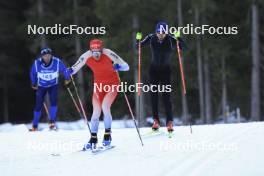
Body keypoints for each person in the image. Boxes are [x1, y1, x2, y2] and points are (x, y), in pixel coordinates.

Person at [69, 39, 129, 149]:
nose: (96, 56)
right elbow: (74, 68)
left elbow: (126, 66)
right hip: (99, 86)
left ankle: (107, 134)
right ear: (90, 51)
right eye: (94, 53)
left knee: (105, 106)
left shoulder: (108, 53)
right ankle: (93, 138)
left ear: (101, 50)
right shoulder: (86, 56)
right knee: (96, 111)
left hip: (112, 85)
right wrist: (69, 71)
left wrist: (119, 67)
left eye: (98, 53)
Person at [137, 21, 187, 132]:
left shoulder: (170, 39)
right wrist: (138, 39)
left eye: (163, 33)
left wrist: (179, 38)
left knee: (166, 96)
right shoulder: (151, 38)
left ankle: (169, 121)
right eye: (159, 32)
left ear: (166, 32)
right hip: (154, 70)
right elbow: (138, 46)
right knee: (153, 95)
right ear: (156, 32)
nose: (161, 35)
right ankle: (156, 121)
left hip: (165, 71)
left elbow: (184, 47)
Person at [29, 47, 71, 131]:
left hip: (53, 85)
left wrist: (67, 79)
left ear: (51, 55)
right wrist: (33, 83)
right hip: (41, 86)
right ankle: (35, 125)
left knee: (54, 102)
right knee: (38, 106)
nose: (47, 57)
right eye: (45, 56)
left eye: (48, 55)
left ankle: (52, 122)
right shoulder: (37, 63)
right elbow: (32, 73)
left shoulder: (57, 62)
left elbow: (64, 70)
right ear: (42, 56)